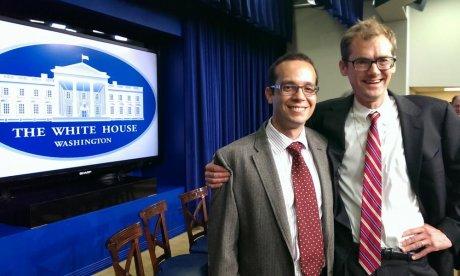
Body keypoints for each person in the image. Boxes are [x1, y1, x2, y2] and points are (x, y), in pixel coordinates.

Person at [206, 18, 460, 276]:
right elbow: (276, 135)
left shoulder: (435, 116)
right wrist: (228, 165)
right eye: (362, 61)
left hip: (415, 262)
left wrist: (450, 231)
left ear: (393, 64)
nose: (374, 71)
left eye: (383, 60)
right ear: (344, 67)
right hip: (350, 263)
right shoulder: (324, 120)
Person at [208, 53, 334, 276]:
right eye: (288, 87)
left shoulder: (324, 147)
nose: (300, 96)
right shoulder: (233, 159)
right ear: (269, 94)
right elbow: (223, 250)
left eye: (308, 88)